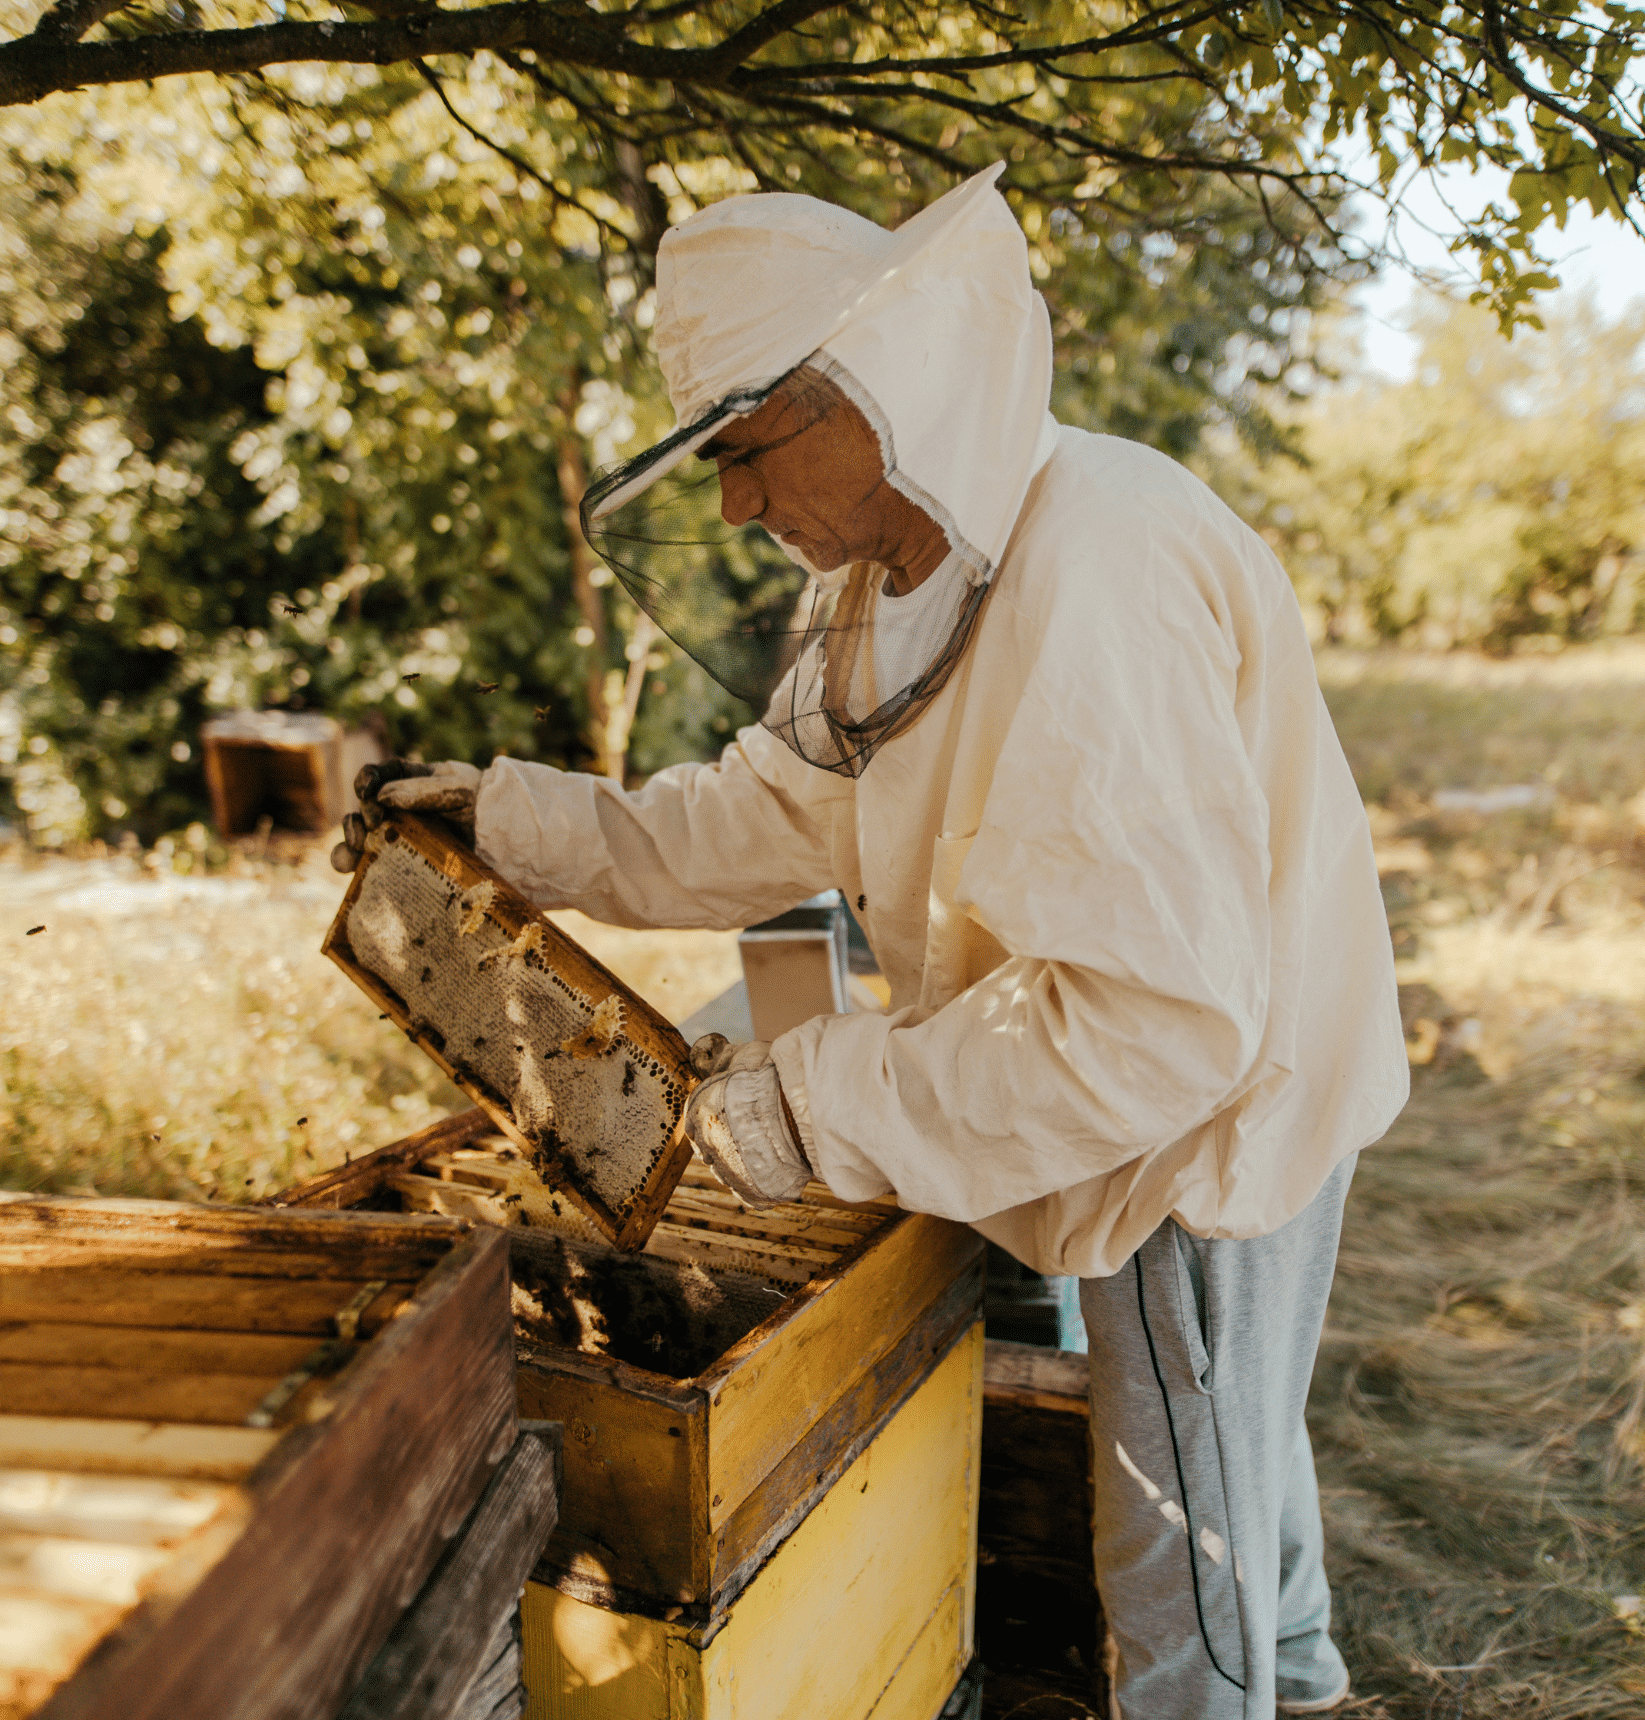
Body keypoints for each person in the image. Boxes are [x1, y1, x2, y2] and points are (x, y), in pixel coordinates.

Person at [336, 165, 1408, 1719]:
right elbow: (753, 813)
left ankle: (1253, 1691)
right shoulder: (877, 589)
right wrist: (516, 825)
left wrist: (806, 1105)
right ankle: (1299, 1682)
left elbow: (1161, 1024)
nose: (738, 503)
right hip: (1172, 1084)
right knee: (1236, 1444)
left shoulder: (1097, 556)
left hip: (1199, 1133)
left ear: (870, 393)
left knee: (1182, 1538)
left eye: (749, 449)